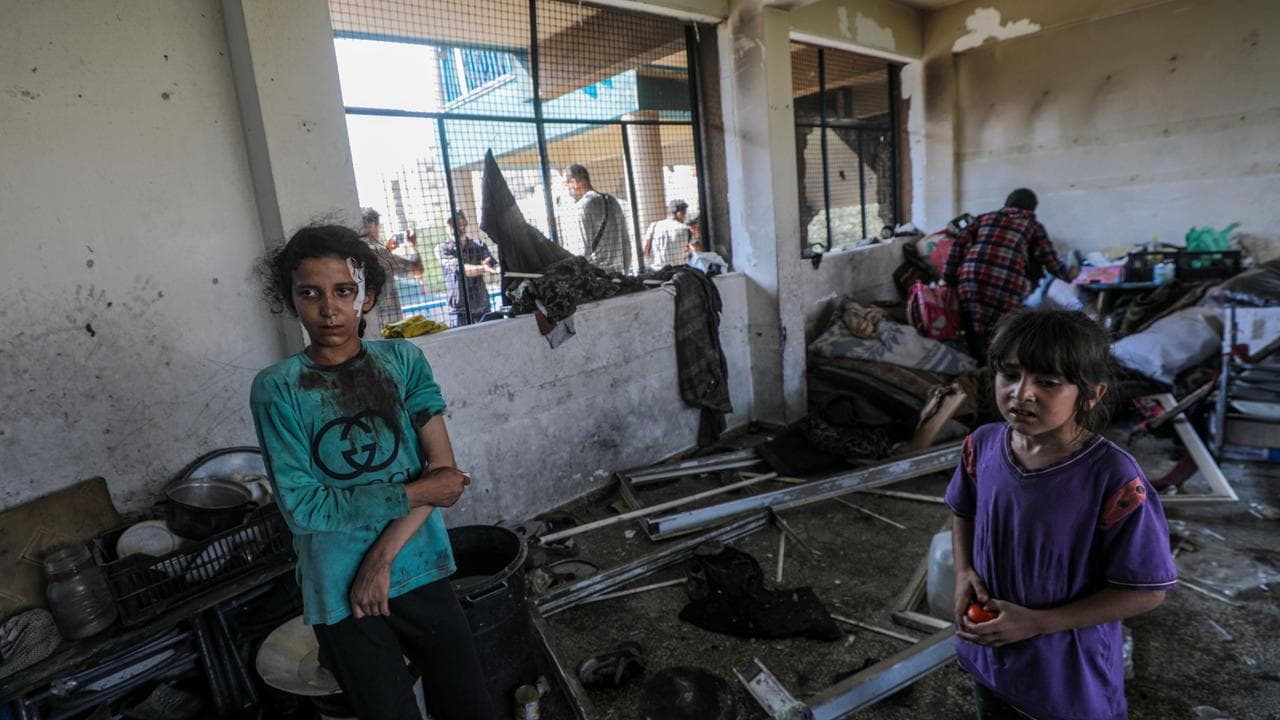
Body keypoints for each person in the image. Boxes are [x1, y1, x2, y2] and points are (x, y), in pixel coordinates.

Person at [251, 224, 497, 720]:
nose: (328, 309)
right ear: (291, 300)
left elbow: (444, 476)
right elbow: (304, 509)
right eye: (310, 293)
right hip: (339, 591)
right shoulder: (278, 389)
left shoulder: (403, 362)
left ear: (368, 297)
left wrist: (379, 560)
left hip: (418, 566)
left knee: (469, 705)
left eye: (344, 291)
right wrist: (419, 490)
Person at [945, 309, 1176, 720]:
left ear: (1091, 395)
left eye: (1047, 382)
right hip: (990, 651)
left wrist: (1038, 623)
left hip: (1065, 674)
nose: (1021, 393)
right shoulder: (981, 445)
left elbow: (1147, 590)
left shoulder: (1112, 477)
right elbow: (962, 509)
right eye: (1009, 374)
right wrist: (964, 572)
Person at [942, 189, 1074, 363]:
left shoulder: (984, 218)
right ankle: (995, 369)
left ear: (1007, 203)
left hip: (971, 277)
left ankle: (977, 366)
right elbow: (1049, 260)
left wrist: (949, 277)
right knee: (1001, 330)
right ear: (1032, 208)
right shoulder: (1033, 226)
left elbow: (958, 243)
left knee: (972, 327)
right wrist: (1072, 278)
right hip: (1006, 284)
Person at [564, 163, 631, 274]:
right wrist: (626, 271)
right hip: (618, 275)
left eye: (566, 184)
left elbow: (583, 251)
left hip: (598, 277)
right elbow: (626, 242)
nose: (567, 189)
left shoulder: (582, 206)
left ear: (574, 182)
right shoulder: (612, 201)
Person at [362, 207, 422, 330]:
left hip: (364, 323)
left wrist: (388, 251)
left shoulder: (352, 251)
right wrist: (412, 245)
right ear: (373, 225)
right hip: (387, 323)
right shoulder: (380, 253)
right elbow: (417, 269)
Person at [438, 211, 500, 327]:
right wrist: (484, 268)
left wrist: (495, 267)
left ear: (465, 222)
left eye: (458, 223)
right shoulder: (443, 249)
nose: (455, 227)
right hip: (459, 310)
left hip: (482, 305)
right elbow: (461, 269)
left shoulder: (479, 244)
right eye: (451, 224)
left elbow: (492, 264)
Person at [643, 199, 693, 270]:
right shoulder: (685, 229)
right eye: (685, 213)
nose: (685, 216)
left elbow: (645, 250)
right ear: (679, 214)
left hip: (655, 270)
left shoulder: (654, 226)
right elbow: (696, 249)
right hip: (676, 271)